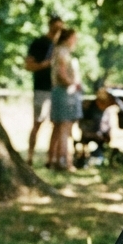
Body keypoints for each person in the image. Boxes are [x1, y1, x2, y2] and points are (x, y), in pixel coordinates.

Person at [24, 16, 64, 167]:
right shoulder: (39, 43)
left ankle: (51, 159)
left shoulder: (61, 47)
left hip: (58, 90)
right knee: (38, 123)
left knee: (58, 125)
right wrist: (45, 65)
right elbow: (28, 65)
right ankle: (30, 156)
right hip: (42, 88)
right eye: (55, 28)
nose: (57, 32)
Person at [48, 28, 84, 171]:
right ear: (67, 38)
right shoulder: (62, 52)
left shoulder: (59, 51)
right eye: (74, 37)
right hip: (64, 93)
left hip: (59, 92)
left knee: (58, 128)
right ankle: (64, 162)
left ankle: (53, 159)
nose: (76, 41)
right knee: (65, 128)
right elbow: (61, 74)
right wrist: (73, 84)